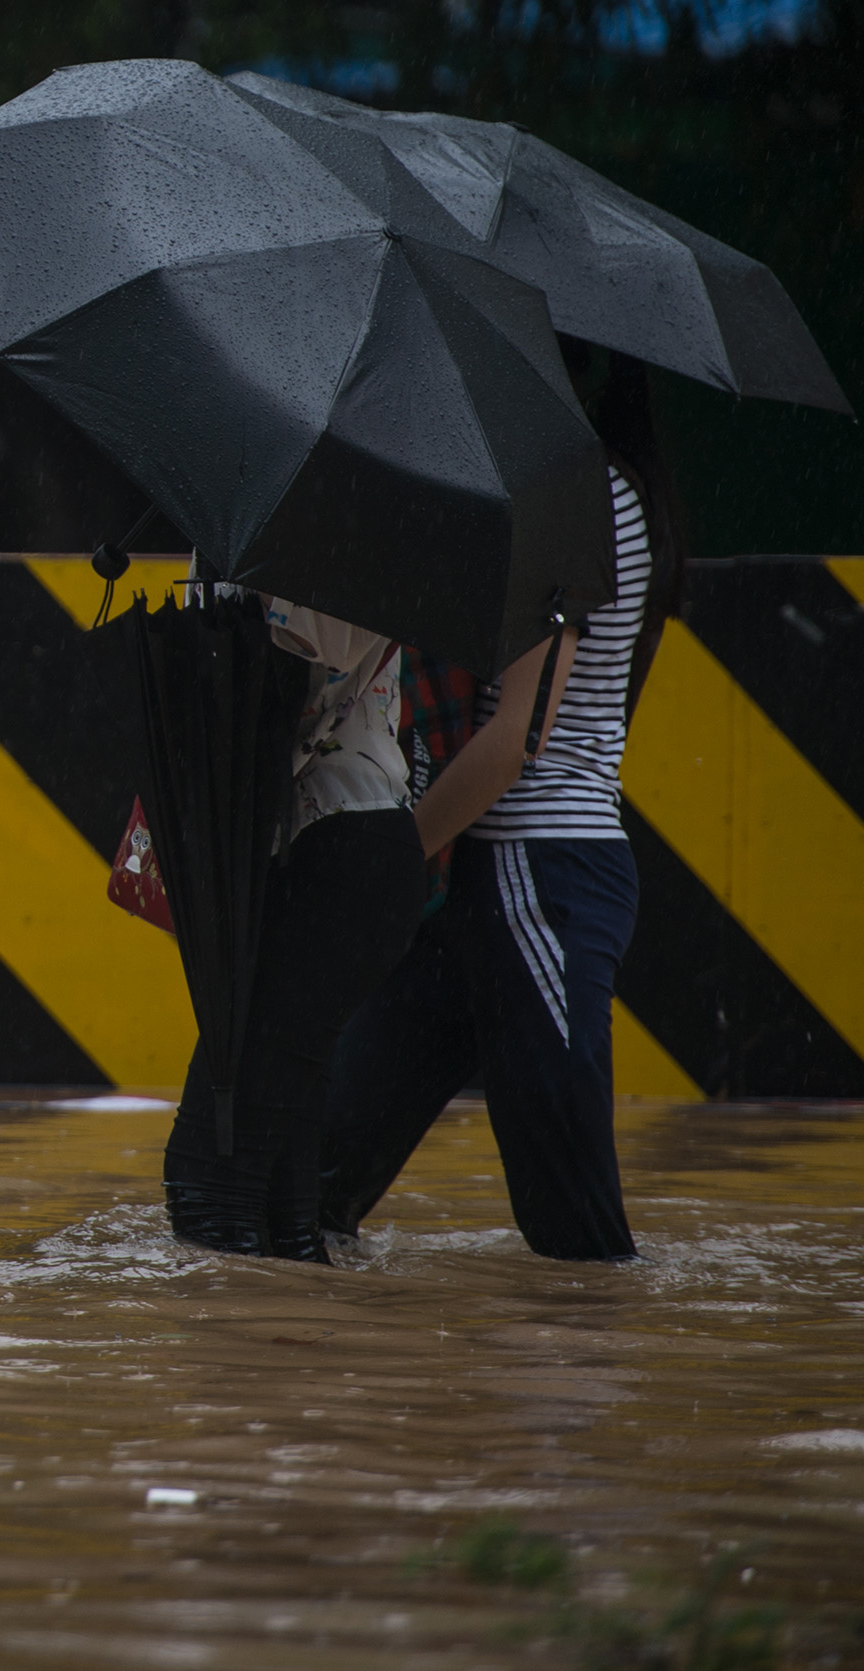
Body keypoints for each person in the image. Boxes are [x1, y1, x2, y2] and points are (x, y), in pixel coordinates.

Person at [318, 353, 677, 1262]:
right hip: (475, 884)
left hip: (536, 877)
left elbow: (516, 738)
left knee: (581, 1244)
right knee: (309, 1192)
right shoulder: (584, 491)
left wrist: (393, 861)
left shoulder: (571, 497)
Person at [162, 590, 425, 1262]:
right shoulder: (279, 521)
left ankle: (235, 1362)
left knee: (209, 1181)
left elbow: (302, 664)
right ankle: (291, 1358)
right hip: (319, 856)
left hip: (340, 854)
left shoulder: (329, 530)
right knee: (280, 1206)